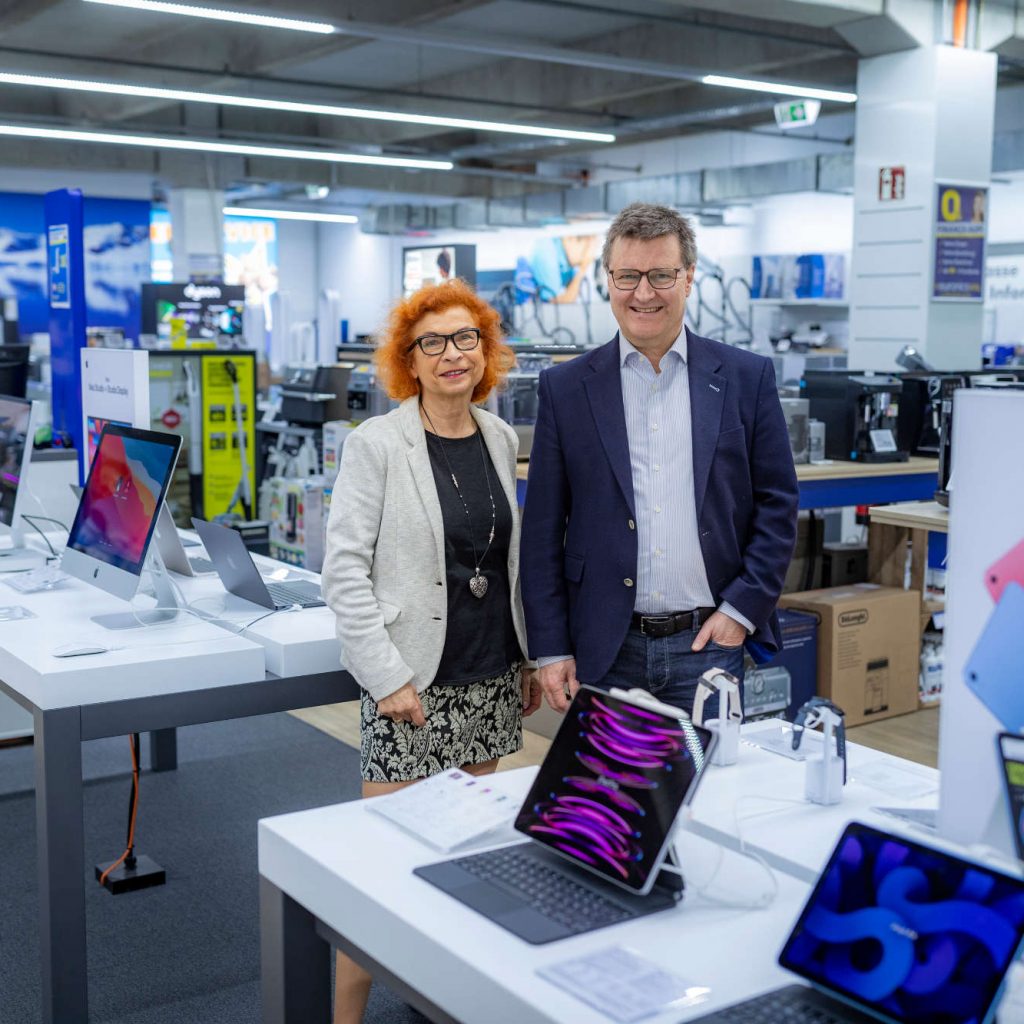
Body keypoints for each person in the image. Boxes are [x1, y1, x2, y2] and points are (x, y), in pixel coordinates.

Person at [321, 278, 540, 1024]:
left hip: (487, 676)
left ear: (487, 353)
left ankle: (438, 1000)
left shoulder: (501, 436)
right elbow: (343, 569)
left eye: (467, 339)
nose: (454, 355)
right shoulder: (376, 444)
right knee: (379, 870)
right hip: (408, 683)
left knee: (465, 861)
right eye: (434, 343)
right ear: (407, 361)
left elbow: (505, 561)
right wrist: (385, 677)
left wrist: (528, 659)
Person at [521, 201, 799, 716]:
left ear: (688, 278)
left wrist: (741, 610)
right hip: (604, 648)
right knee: (611, 795)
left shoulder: (745, 378)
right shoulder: (565, 389)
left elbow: (778, 505)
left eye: (661, 275)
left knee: (709, 792)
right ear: (608, 279)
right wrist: (552, 645)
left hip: (709, 643)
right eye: (628, 276)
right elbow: (541, 531)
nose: (643, 293)